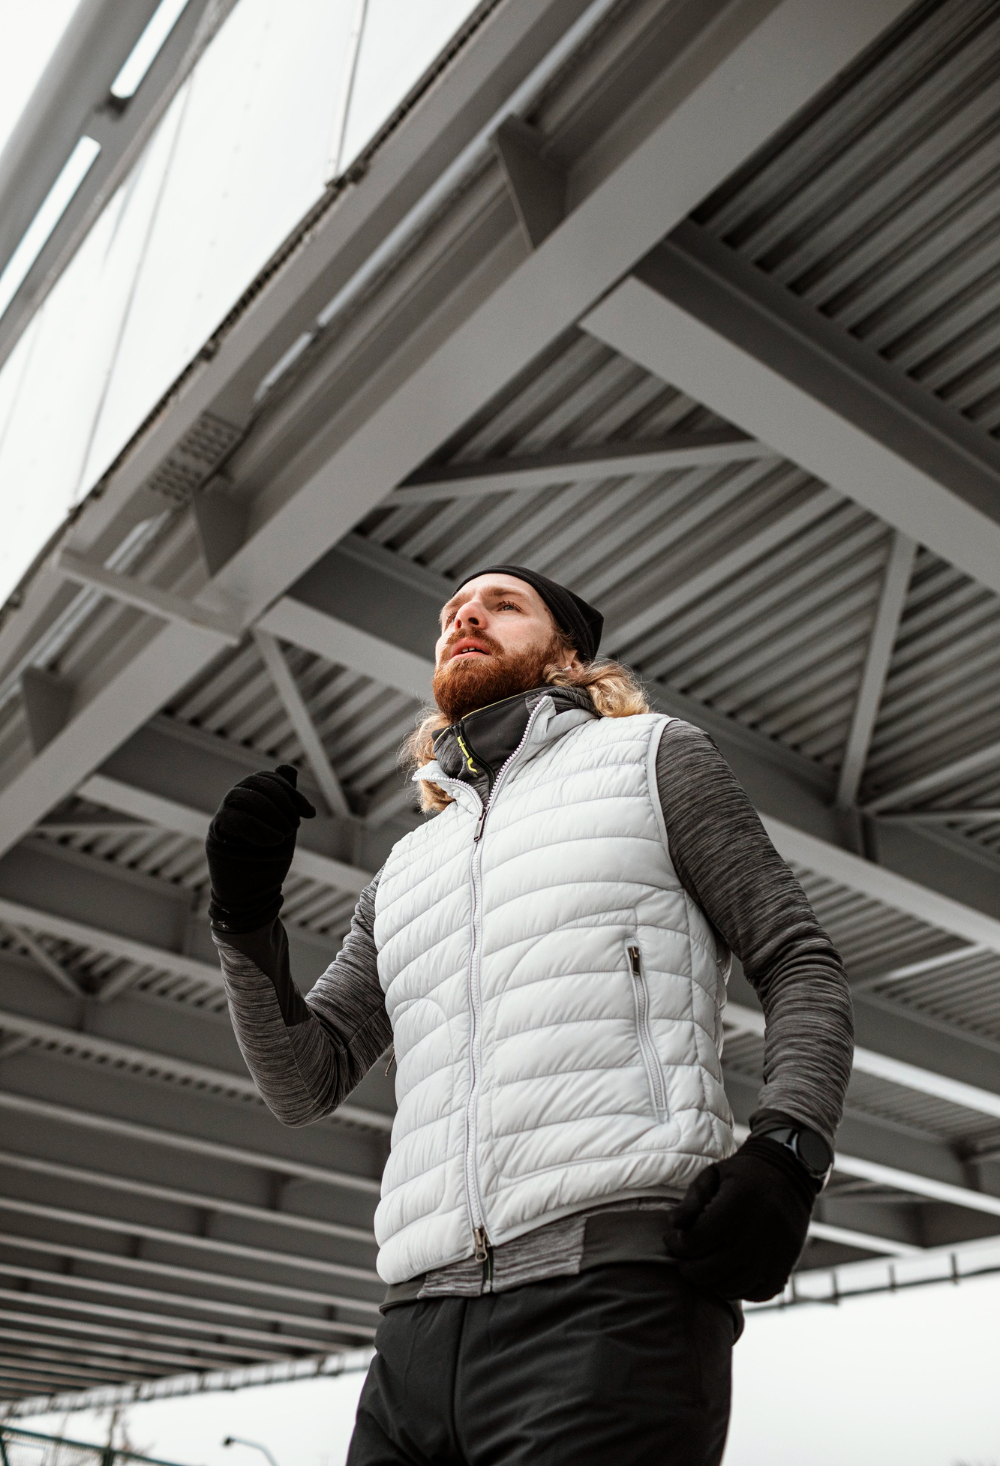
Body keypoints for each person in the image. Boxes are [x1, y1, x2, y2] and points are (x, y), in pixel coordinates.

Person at [207, 564, 853, 1466]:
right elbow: (303, 1082)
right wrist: (242, 919)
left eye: (502, 604)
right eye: (451, 613)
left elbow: (799, 960)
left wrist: (788, 1154)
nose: (465, 614)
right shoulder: (405, 868)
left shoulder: (654, 757)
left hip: (610, 1298)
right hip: (414, 1333)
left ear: (568, 652)